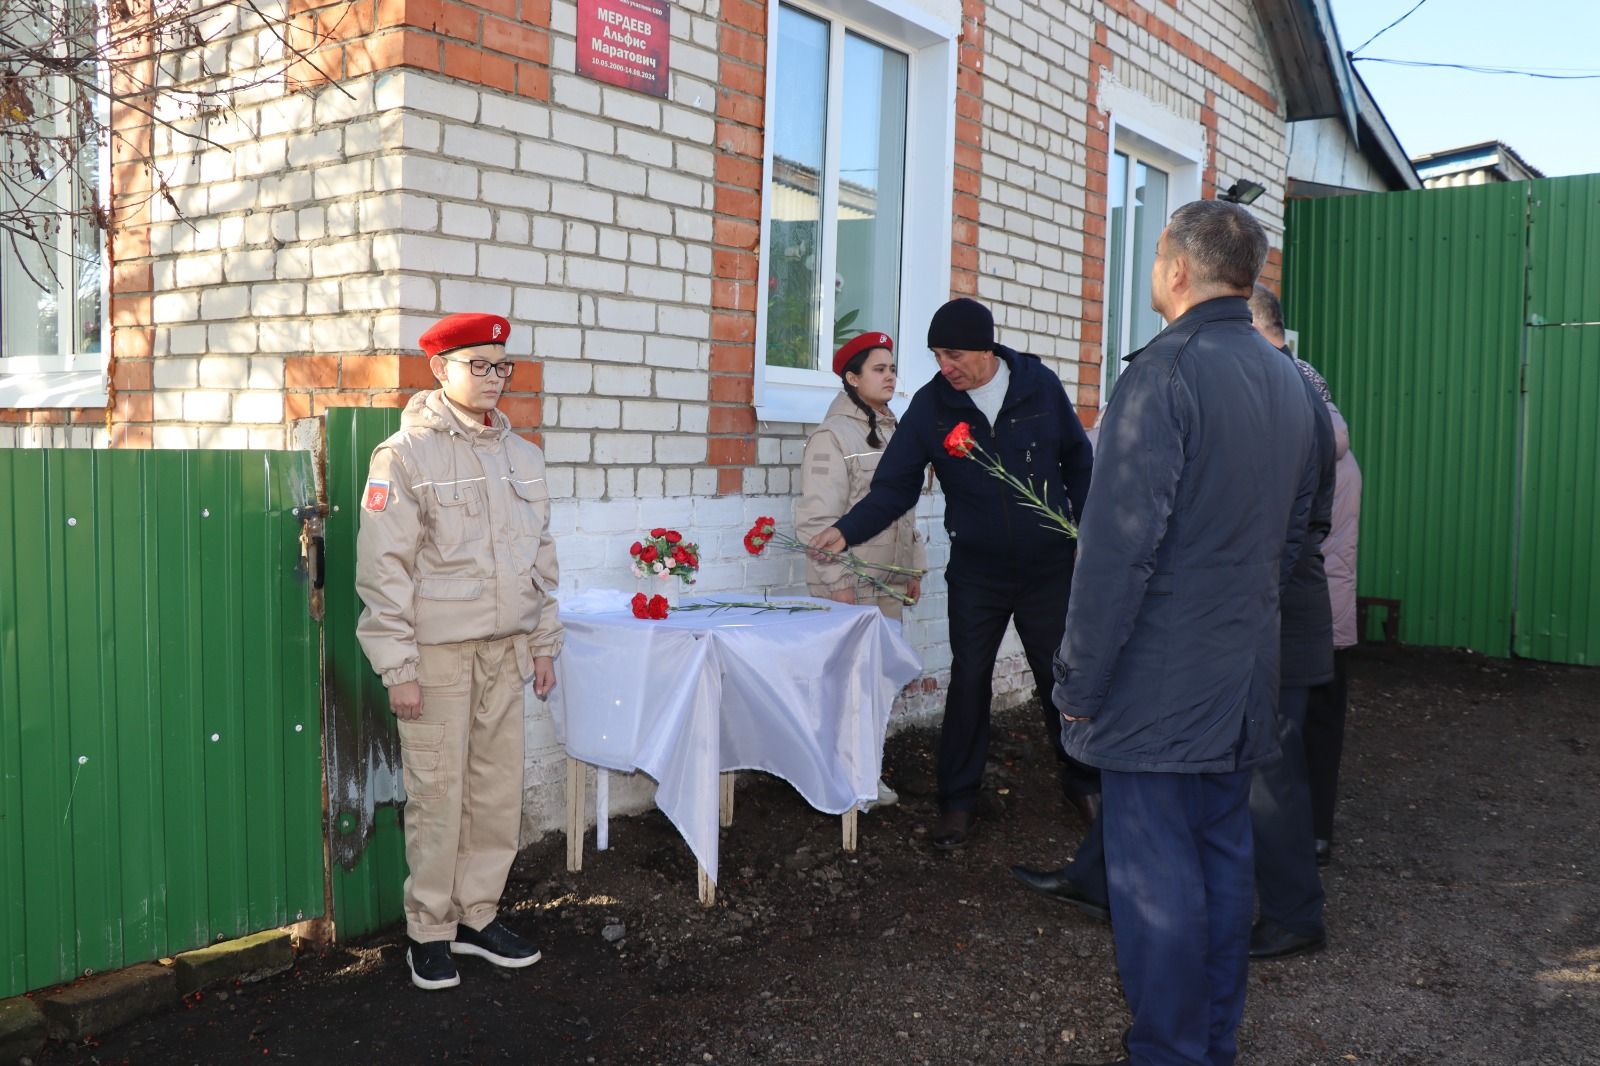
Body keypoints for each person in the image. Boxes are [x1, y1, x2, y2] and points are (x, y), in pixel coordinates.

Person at [1054, 201, 1322, 1066]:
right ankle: (1210, 1042)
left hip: (1158, 686)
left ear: (1174, 269)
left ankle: (1172, 1051)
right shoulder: (1290, 378)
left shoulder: (1163, 373)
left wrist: (1079, 686)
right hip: (1242, 672)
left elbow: (1114, 556)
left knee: (1159, 887)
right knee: (1220, 863)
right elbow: (1297, 530)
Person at [809, 297, 1095, 850]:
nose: (946, 366)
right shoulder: (934, 405)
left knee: (1059, 677)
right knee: (969, 680)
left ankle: (1083, 781)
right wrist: (846, 529)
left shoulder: (1039, 387)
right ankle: (958, 801)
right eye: (938, 355)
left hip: (1048, 569)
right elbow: (896, 483)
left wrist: (1090, 534)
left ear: (986, 349)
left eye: (955, 354)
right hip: (979, 573)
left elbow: (1078, 463)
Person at [355, 312, 562, 991]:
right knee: (439, 795)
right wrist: (399, 668)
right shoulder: (405, 456)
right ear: (440, 369)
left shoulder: (523, 456)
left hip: (505, 652)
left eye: (502, 366)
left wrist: (543, 644)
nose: (495, 377)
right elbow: (383, 571)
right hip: (438, 659)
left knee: (496, 792)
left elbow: (542, 561)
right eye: (480, 364)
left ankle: (477, 915)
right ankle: (429, 930)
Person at [1249, 285, 1363, 868]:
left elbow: (1291, 535)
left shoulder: (1296, 417)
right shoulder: (1312, 403)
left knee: (1297, 738)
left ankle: (1304, 843)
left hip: (1304, 608)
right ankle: (1311, 835)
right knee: (1307, 732)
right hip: (1320, 607)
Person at [793, 331, 927, 808]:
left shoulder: (896, 432)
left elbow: (904, 512)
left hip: (887, 583)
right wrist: (837, 585)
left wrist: (915, 568)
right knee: (846, 689)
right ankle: (839, 782)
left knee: (876, 687)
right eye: (878, 368)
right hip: (853, 588)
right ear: (851, 378)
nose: (890, 375)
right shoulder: (833, 436)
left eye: (893, 368)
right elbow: (817, 523)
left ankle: (865, 776)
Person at [1244, 285, 1337, 961]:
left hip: (1279, 619)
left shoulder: (1288, 399)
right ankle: (1103, 877)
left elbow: (1294, 528)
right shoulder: (1292, 392)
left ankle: (1294, 915)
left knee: (1270, 771)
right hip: (1271, 612)